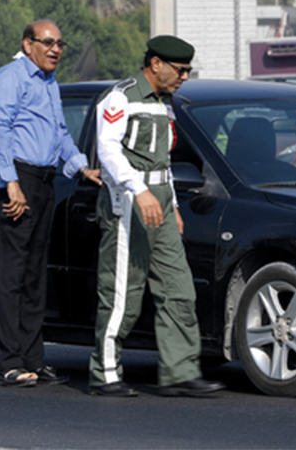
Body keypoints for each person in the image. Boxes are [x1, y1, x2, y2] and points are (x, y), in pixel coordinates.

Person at [86, 35, 225, 398]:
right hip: (128, 201)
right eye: (180, 70)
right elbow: (109, 152)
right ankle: (106, 374)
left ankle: (179, 371)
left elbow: (162, 162)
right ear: (156, 64)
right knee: (121, 293)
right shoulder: (121, 97)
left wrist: (173, 205)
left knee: (178, 288)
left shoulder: (166, 102)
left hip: (160, 200)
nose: (185, 77)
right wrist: (139, 190)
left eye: (189, 71)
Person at [0, 20, 102, 388]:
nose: (55, 49)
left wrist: (81, 166)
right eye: (48, 42)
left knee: (36, 276)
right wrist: (11, 183)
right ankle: (7, 363)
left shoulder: (50, 83)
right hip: (18, 180)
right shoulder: (11, 77)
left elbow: (61, 134)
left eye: (60, 44)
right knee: (10, 276)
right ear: (28, 43)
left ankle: (33, 359)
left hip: (45, 182)